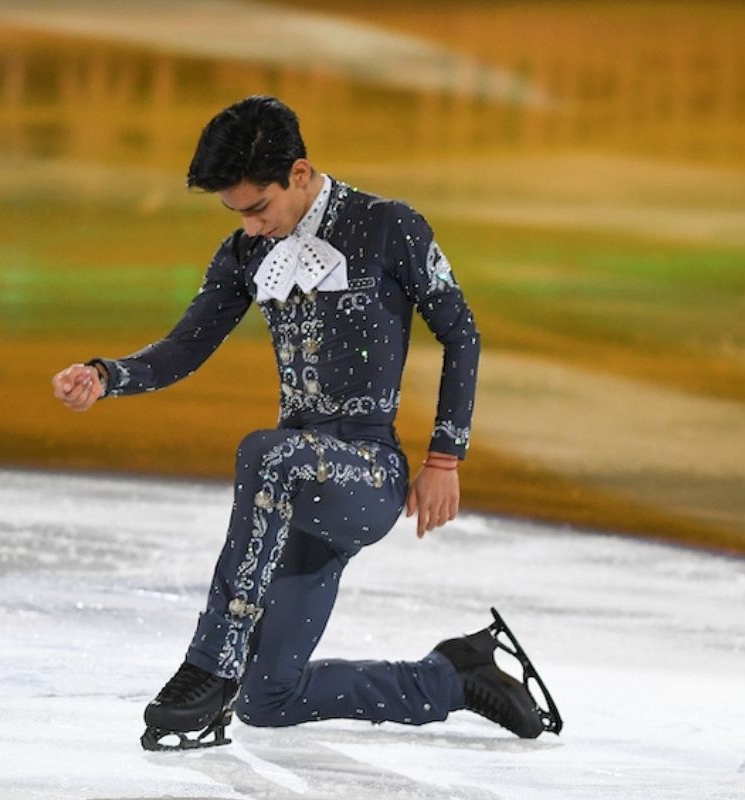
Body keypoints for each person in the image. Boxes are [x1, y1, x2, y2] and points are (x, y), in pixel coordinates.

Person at [51, 96, 561, 750]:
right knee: (269, 699)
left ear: (299, 173)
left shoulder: (388, 226)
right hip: (293, 490)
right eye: (236, 213)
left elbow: (461, 333)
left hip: (367, 476)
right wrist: (107, 375)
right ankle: (453, 678)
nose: (251, 228)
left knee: (266, 453)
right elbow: (187, 346)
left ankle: (210, 665)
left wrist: (444, 459)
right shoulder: (245, 253)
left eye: (258, 208)